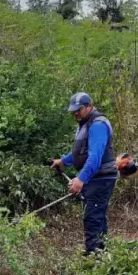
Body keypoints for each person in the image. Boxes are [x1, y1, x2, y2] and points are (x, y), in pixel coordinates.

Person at [51, 92, 119, 255]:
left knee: (93, 216)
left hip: (101, 178)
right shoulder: (85, 122)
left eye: (78, 110)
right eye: (73, 110)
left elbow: (95, 157)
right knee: (97, 214)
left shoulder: (97, 125)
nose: (75, 113)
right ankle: (101, 251)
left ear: (89, 106)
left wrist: (81, 179)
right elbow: (80, 151)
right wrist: (63, 161)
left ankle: (94, 256)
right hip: (96, 177)